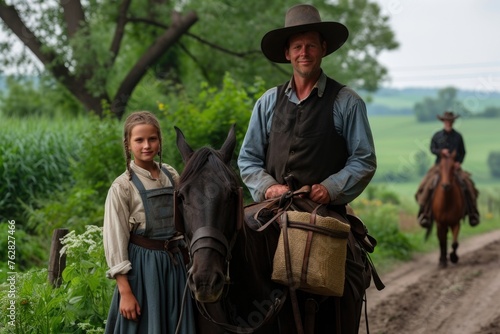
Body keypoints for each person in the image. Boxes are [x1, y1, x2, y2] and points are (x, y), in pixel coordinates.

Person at [237, 4, 377, 333]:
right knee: (234, 249)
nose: (304, 52)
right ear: (287, 53)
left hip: (322, 207)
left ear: (323, 49)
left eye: (311, 45)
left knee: (350, 269)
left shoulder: (347, 101)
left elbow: (364, 159)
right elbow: (248, 158)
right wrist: (268, 187)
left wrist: (330, 187)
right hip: (271, 207)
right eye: (297, 46)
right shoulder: (267, 102)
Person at [103, 111, 195, 333]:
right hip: (144, 269)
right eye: (139, 140)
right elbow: (115, 241)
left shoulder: (170, 174)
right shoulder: (122, 186)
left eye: (152, 139)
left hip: (175, 266)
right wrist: (125, 292)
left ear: (160, 141)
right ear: (127, 144)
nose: (147, 145)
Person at [415, 111, 480, 228]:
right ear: (443, 122)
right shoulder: (437, 135)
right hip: (439, 166)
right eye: (446, 121)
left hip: (454, 167)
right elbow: (432, 148)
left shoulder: (458, 136)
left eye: (450, 121)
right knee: (426, 185)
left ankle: (473, 213)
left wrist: (458, 162)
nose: (448, 123)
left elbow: (463, 152)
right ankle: (424, 213)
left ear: (453, 122)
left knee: (468, 184)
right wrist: (440, 152)